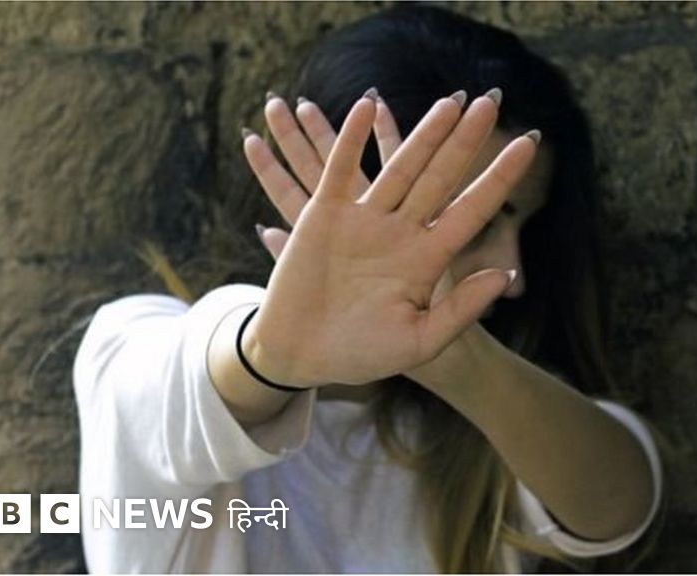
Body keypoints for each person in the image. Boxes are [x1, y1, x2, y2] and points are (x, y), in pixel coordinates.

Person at [73, 4, 666, 573]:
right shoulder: (131, 340)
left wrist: (460, 363)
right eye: (479, 223)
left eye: (525, 230)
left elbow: (619, 508)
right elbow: (174, 391)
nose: (515, 276)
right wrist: (270, 353)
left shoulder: (488, 424)